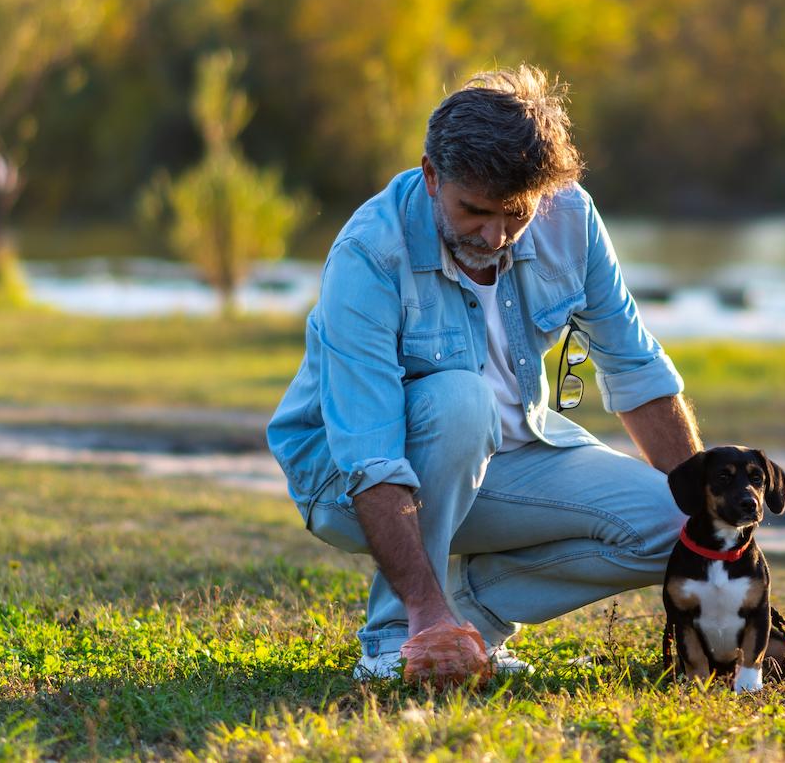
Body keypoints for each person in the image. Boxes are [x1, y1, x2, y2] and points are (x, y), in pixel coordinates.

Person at [267, 65, 702, 685]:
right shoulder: (370, 253)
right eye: (474, 211)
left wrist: (721, 540)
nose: (495, 235)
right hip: (344, 478)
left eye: (516, 215)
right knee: (459, 402)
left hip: (510, 449)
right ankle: (402, 638)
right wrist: (420, 606)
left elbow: (634, 367)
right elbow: (369, 456)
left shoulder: (571, 218)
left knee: (683, 529)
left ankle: (470, 616)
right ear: (431, 175)